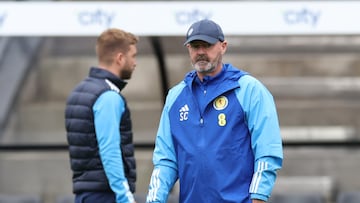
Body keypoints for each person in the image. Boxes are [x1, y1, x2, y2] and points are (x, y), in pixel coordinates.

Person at [146, 19, 283, 203]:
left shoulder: (249, 89)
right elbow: (166, 160)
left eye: (207, 45)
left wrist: (259, 196)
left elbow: (267, 151)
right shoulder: (175, 96)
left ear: (223, 46)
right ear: (188, 49)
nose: (201, 52)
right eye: (195, 46)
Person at [65, 28, 138, 203]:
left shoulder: (79, 91)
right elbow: (109, 151)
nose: (135, 63)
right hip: (106, 195)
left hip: (84, 195)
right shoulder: (108, 96)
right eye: (133, 56)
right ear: (120, 58)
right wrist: (125, 196)